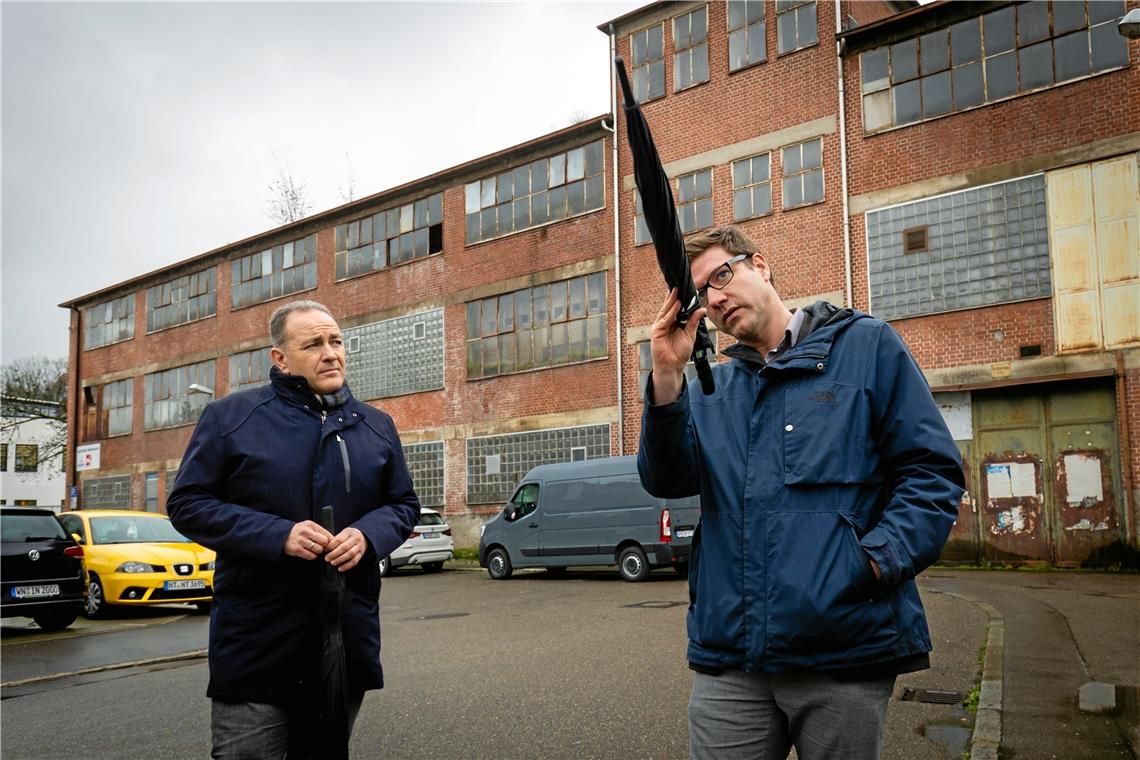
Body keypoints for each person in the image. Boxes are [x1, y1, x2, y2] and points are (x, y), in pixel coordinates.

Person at [637, 226, 965, 760]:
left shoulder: (866, 347)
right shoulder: (711, 391)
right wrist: (667, 374)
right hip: (732, 657)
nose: (715, 298)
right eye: (701, 295)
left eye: (723, 275)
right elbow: (666, 480)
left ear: (760, 266)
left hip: (842, 649)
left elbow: (931, 474)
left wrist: (873, 563)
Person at [168, 299, 421, 759]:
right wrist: (276, 535)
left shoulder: (377, 427)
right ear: (279, 358)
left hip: (343, 636)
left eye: (336, 341)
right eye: (314, 343)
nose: (331, 353)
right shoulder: (230, 418)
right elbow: (187, 503)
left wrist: (368, 535)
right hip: (257, 642)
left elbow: (402, 504)